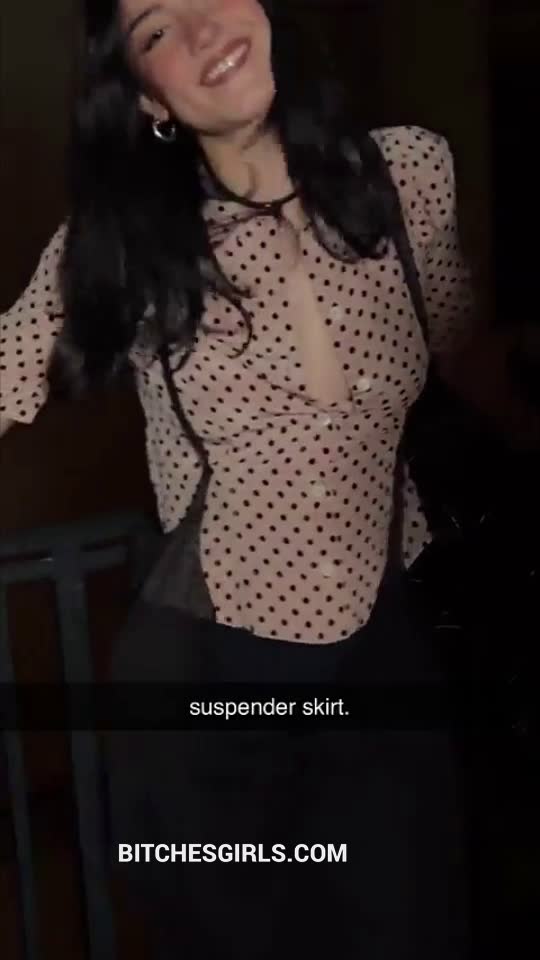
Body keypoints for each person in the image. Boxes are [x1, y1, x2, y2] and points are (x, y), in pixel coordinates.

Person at [0, 1, 474, 957]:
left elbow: (463, 342)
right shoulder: (127, 243)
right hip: (212, 685)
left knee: (414, 922)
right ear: (148, 100)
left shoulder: (410, 174)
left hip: (381, 656)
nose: (203, 27)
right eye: (155, 30)